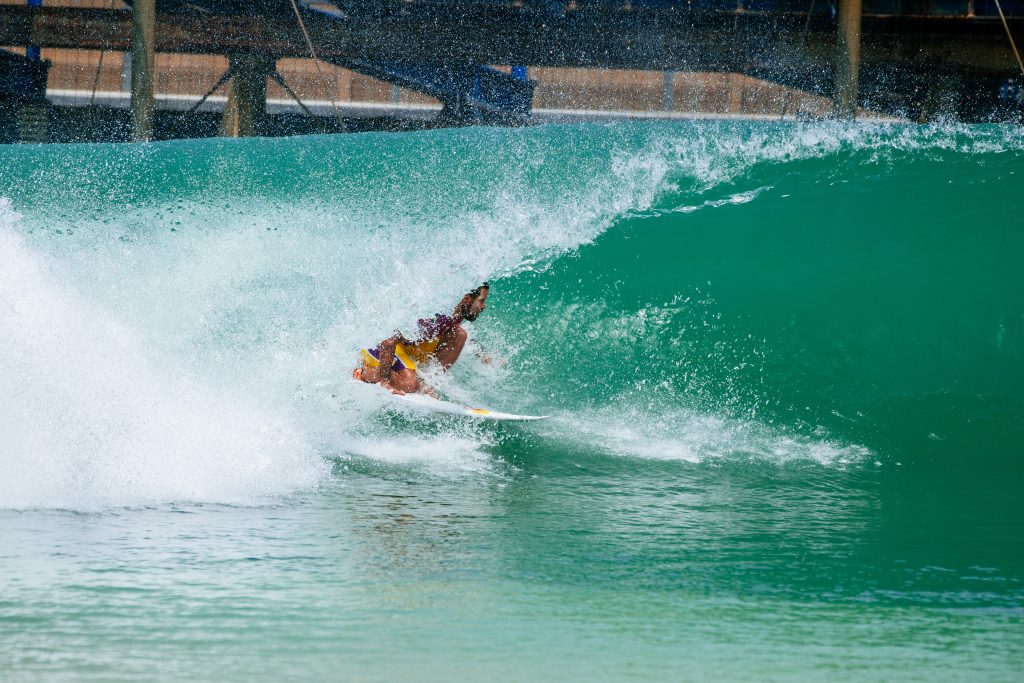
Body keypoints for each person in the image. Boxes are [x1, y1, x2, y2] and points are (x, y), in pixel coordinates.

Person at [353, 283, 489, 395]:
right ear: (466, 299)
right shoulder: (435, 320)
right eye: (481, 301)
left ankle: (425, 381)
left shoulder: (454, 315)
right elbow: (387, 342)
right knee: (410, 385)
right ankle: (363, 372)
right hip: (380, 348)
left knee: (460, 334)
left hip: (408, 349)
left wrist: (481, 353)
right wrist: (385, 383)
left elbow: (460, 336)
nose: (484, 306)